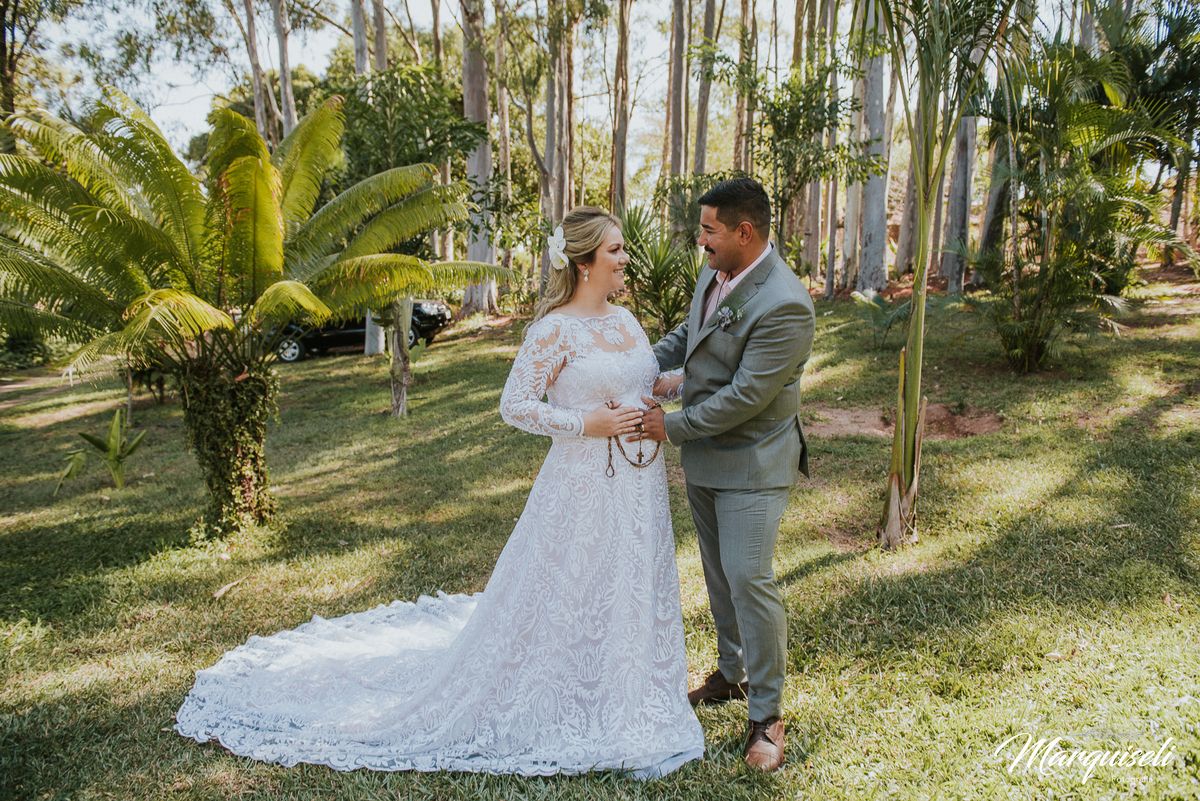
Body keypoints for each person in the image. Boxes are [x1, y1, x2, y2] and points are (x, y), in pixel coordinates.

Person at [174, 207, 705, 778]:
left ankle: (625, 689)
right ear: (582, 262)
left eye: (624, 248)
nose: (625, 258)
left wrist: (678, 382)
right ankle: (567, 693)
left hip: (636, 485)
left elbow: (642, 380)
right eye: (615, 250)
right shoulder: (553, 329)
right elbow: (516, 406)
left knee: (624, 582)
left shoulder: (626, 322)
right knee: (574, 585)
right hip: (581, 485)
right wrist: (584, 424)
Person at [637, 178, 815, 773]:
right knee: (718, 577)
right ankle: (731, 675)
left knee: (749, 579)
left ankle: (767, 715)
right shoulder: (715, 270)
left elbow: (746, 397)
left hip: (753, 462)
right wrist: (637, 360)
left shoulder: (785, 303)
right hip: (706, 460)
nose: (700, 239)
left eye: (710, 229)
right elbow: (692, 336)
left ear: (745, 233)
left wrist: (672, 425)